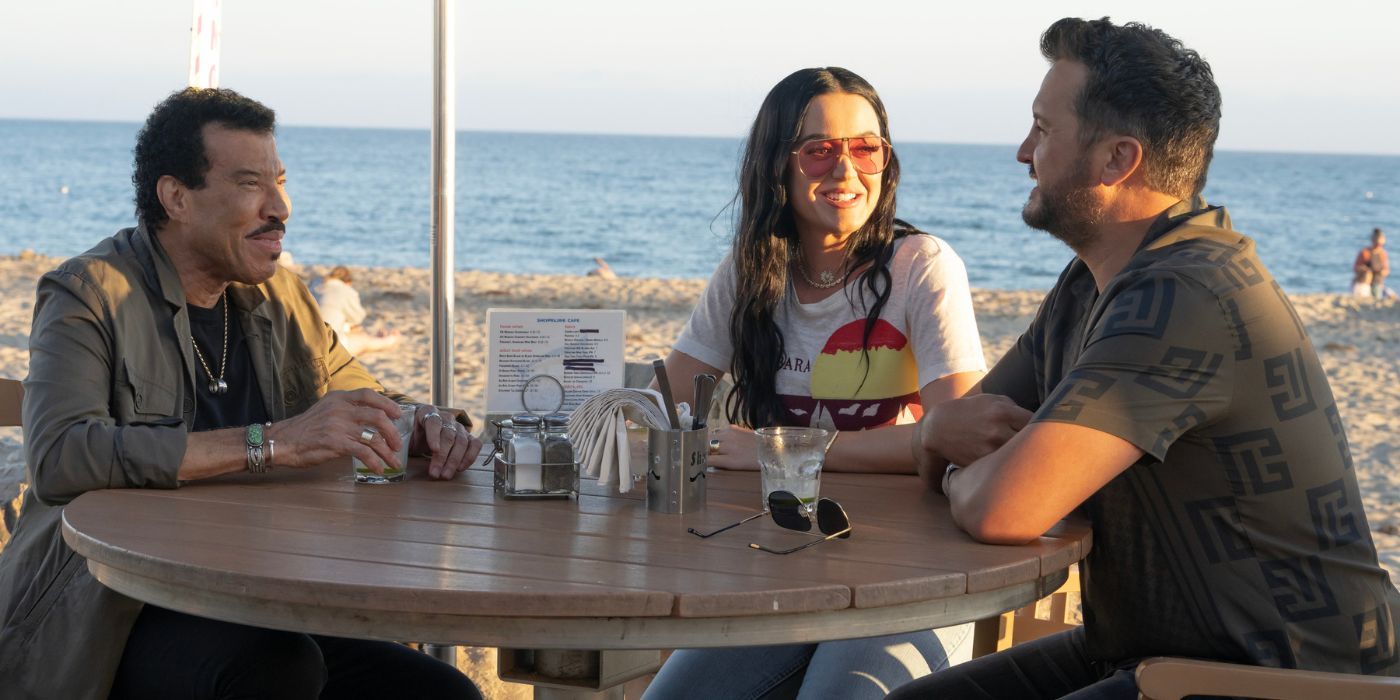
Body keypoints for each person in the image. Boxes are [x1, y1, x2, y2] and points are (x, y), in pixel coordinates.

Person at [892, 18, 1399, 699]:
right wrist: (912, 437)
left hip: (1290, 678)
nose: (1022, 151)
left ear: (1115, 159)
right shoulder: (1096, 282)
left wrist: (955, 465)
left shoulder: (1185, 294)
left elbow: (1002, 507)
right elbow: (970, 424)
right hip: (1155, 654)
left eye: (1043, 129)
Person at [0, 88, 484, 699]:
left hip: (268, 592)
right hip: (113, 604)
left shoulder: (283, 296)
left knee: (442, 694)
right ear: (176, 197)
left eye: (280, 182)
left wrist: (424, 423)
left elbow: (364, 395)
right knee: (275, 669)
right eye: (252, 184)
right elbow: (61, 458)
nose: (280, 207)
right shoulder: (89, 293)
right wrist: (272, 443)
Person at [644, 68, 987, 699]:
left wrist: (777, 447)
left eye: (865, 148)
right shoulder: (751, 272)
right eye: (819, 150)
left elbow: (960, 438)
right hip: (781, 554)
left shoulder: (923, 267)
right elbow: (662, 405)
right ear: (777, 163)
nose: (846, 170)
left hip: (912, 565)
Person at [315, 265, 402, 354]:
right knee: (364, 340)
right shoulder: (346, 291)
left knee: (351, 330)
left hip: (308, 338)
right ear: (348, 282)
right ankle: (390, 340)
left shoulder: (315, 286)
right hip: (329, 345)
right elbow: (358, 318)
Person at [1354, 227, 1390, 299]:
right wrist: (1365, 270)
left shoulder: (1382, 254)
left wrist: (1382, 272)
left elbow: (1386, 270)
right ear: (1373, 240)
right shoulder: (1365, 253)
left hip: (1377, 283)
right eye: (1377, 242)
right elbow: (1356, 268)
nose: (1378, 245)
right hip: (1365, 283)